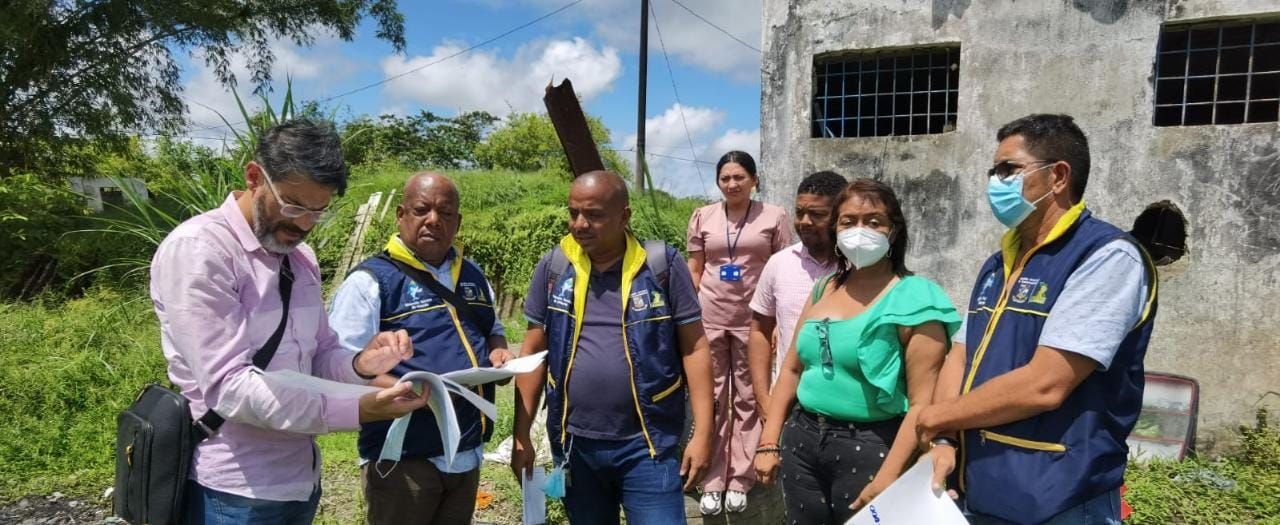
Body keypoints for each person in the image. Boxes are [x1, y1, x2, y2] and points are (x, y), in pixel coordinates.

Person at [149, 119, 429, 524]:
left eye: (318, 211)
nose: (303, 224)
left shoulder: (300, 260)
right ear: (253, 176)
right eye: (294, 205)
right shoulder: (201, 252)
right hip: (234, 492)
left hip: (301, 479)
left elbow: (318, 357)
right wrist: (359, 411)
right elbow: (230, 387)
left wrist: (359, 366)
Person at [916, 114, 1158, 525]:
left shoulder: (1105, 256)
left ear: (1058, 176)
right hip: (982, 489)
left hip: (1057, 498)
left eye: (1009, 169)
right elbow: (962, 355)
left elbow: (1047, 384)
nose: (995, 181)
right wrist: (942, 439)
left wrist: (936, 416)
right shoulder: (997, 265)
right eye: (993, 171)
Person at [510, 170, 714, 525]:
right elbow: (532, 353)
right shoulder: (556, 266)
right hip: (576, 446)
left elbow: (695, 348)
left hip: (648, 446)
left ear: (624, 217)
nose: (580, 224)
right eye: (573, 212)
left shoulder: (660, 266)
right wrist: (520, 435)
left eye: (594, 214)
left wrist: (704, 434)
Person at [754, 179, 960, 525]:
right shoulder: (825, 288)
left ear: (893, 232)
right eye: (848, 221)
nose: (860, 230)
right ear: (835, 230)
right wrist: (769, 442)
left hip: (873, 446)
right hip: (802, 440)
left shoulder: (917, 298)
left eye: (874, 221)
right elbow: (792, 369)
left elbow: (923, 405)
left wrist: (888, 477)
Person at [329, 172, 514, 524]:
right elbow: (338, 367)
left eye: (446, 213)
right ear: (401, 214)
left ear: (457, 222)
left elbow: (494, 330)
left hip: (466, 452)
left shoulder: (472, 275)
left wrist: (499, 352)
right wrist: (412, 391)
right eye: (422, 209)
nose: (434, 220)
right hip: (404, 457)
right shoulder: (371, 281)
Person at [686, 150, 792, 515]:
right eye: (725, 178)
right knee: (712, 396)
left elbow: (782, 269)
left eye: (739, 178)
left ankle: (741, 477)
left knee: (748, 396)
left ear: (754, 180)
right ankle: (712, 478)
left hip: (755, 321)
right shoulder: (702, 216)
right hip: (709, 317)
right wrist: (687, 319)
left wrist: (776, 322)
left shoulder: (775, 216)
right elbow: (695, 269)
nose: (732, 184)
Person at [748, 170, 848, 421]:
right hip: (786, 406)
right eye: (799, 212)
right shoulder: (779, 264)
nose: (804, 221)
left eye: (817, 214)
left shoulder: (859, 268)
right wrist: (763, 399)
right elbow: (759, 331)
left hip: (848, 409)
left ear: (839, 217)